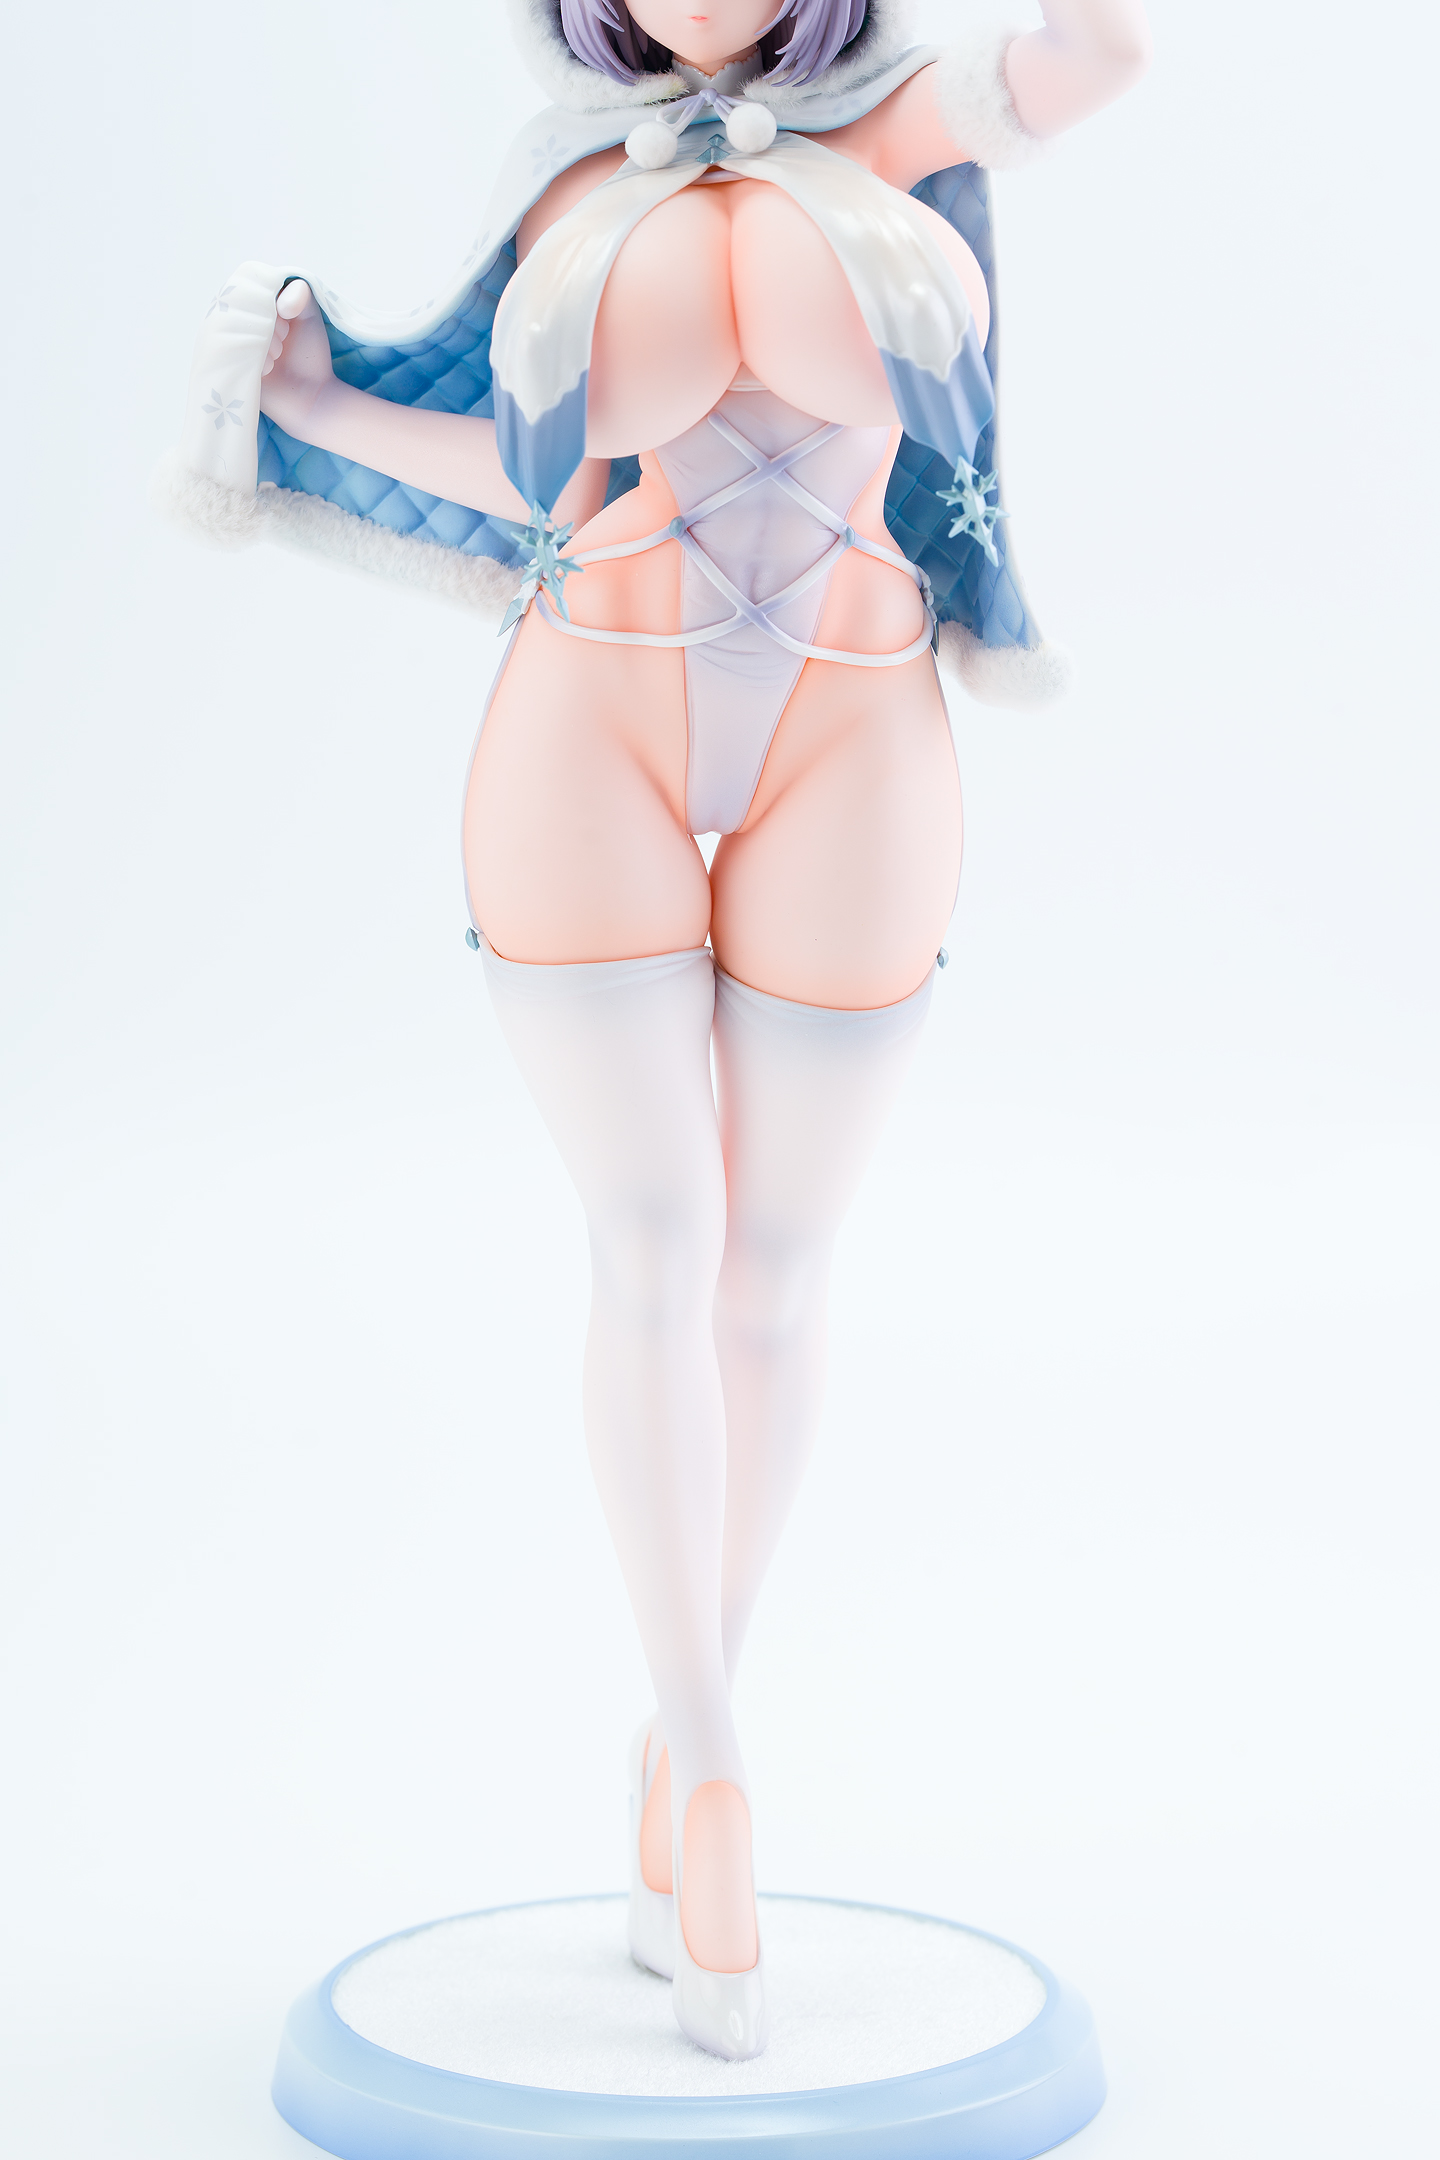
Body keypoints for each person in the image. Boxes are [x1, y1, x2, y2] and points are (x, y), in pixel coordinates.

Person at [209, 0, 1150, 2061]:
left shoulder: (908, 119)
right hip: (591, 707)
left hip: (855, 719)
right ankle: (711, 1768)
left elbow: (1091, 60)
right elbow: (516, 459)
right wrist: (314, 404)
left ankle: (678, 1728)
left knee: (773, 1271)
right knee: (653, 1247)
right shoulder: (574, 172)